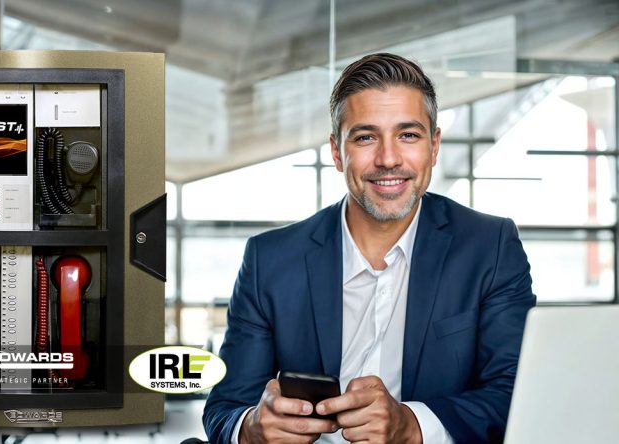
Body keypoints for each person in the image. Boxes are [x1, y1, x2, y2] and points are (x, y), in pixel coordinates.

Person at [203, 53, 535, 444]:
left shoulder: (490, 247)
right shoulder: (269, 259)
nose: (388, 159)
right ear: (337, 151)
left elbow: (515, 393)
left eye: (408, 135)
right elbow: (225, 409)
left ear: (434, 145)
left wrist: (412, 425)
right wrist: (252, 428)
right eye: (365, 137)